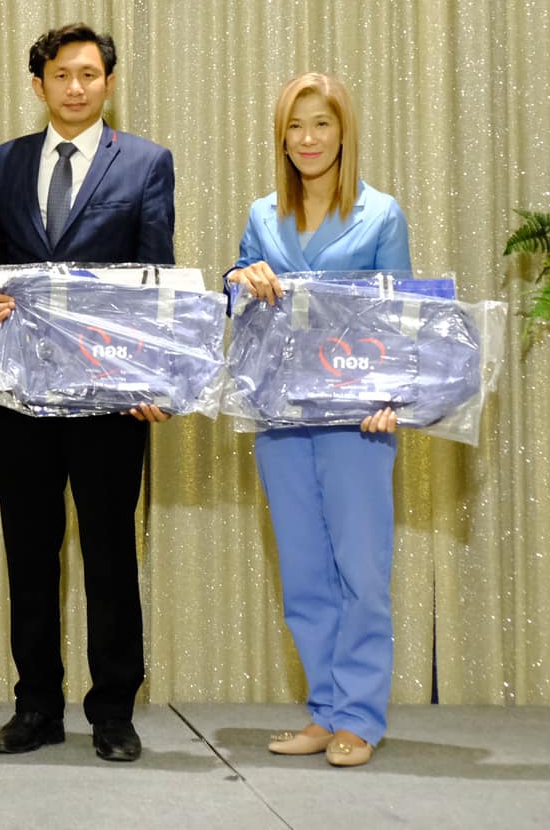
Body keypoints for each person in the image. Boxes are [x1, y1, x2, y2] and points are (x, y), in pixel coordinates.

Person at [0, 22, 175, 764]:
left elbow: (156, 277)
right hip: (22, 394)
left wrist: (151, 377)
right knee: (29, 553)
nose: (76, 87)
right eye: (61, 75)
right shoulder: (4, 162)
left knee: (110, 552)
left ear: (109, 83)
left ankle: (113, 711)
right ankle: (36, 706)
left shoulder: (146, 162)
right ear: (39, 85)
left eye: (90, 74)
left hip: (109, 398)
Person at [226, 72, 410, 770]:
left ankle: (360, 717)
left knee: (360, 570)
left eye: (321, 124)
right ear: (282, 137)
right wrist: (238, 279)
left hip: (359, 420)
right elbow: (236, 297)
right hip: (280, 415)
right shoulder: (262, 214)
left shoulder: (381, 214)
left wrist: (393, 399)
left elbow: (402, 318)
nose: (308, 139)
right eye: (295, 126)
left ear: (343, 132)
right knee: (304, 571)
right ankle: (326, 709)